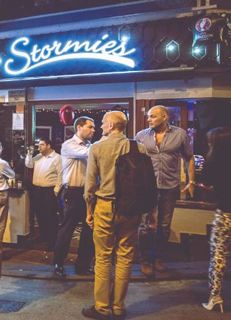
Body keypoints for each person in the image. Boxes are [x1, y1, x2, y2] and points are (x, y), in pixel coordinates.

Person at [82, 111, 150, 320]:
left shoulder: (97, 147)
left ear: (111, 125)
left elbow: (90, 185)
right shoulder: (138, 147)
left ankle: (102, 307)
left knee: (103, 258)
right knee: (125, 257)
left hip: (105, 206)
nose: (101, 126)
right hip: (131, 209)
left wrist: (89, 210)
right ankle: (119, 306)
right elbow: (147, 180)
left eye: (103, 123)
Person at [135, 105, 195, 278]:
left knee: (164, 225)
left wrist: (191, 181)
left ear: (165, 117)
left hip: (170, 186)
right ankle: (145, 260)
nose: (149, 119)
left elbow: (189, 157)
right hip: (147, 187)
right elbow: (135, 161)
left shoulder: (179, 134)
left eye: (153, 116)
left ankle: (158, 258)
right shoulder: (141, 136)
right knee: (146, 226)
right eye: (148, 116)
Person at [53, 117, 96, 277]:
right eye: (90, 127)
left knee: (88, 230)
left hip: (88, 192)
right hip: (72, 192)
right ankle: (58, 262)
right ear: (79, 127)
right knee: (67, 228)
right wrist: (107, 142)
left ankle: (82, 264)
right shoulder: (69, 145)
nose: (93, 130)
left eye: (94, 127)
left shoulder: (91, 146)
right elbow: (89, 154)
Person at [197, 127, 231, 313]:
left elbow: (208, 183)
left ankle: (215, 296)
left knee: (219, 255)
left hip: (225, 213)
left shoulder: (214, 162)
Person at [25, 138, 62, 251]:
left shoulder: (57, 158)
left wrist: (56, 191)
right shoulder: (38, 157)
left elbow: (61, 174)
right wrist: (29, 154)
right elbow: (29, 165)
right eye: (38, 145)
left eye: (41, 145)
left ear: (48, 145)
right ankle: (43, 235)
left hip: (49, 190)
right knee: (40, 214)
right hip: (37, 189)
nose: (39, 147)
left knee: (50, 216)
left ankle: (52, 241)